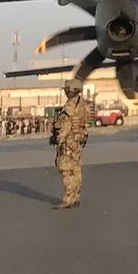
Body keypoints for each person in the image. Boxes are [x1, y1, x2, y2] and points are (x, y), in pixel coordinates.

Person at [51, 81, 90, 209]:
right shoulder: (82, 103)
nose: (65, 92)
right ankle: (76, 197)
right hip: (79, 140)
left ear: (72, 90)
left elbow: (66, 125)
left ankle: (68, 198)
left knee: (65, 169)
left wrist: (59, 141)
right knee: (76, 169)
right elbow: (86, 123)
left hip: (69, 141)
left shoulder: (70, 105)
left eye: (67, 89)